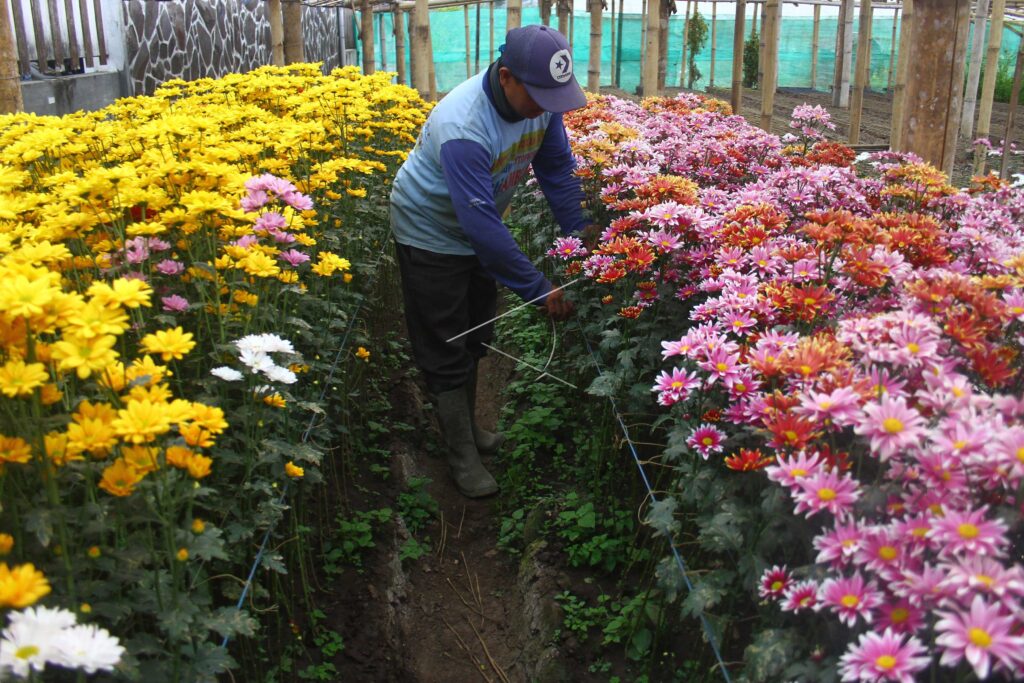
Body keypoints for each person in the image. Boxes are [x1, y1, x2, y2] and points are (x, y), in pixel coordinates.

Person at [389, 24, 591, 498]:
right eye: (538, 94)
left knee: (477, 331)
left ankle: (472, 432)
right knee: (445, 341)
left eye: (554, 95)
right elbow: (480, 225)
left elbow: (557, 171)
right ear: (506, 77)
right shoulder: (464, 125)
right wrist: (539, 289)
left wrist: (582, 242)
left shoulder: (544, 108)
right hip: (430, 231)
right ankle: (460, 455)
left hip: (477, 227)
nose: (546, 106)